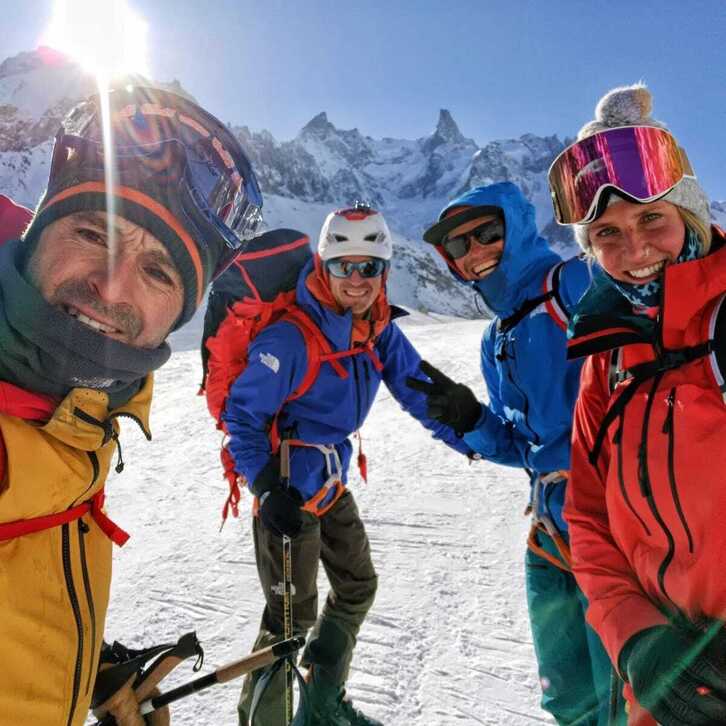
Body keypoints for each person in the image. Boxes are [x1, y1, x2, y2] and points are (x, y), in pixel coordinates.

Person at [0, 82, 263, 726]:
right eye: (93, 231)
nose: (111, 286)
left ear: (180, 312)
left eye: (158, 273)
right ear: (37, 232)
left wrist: (80, 666)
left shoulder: (82, 411)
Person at [222, 204, 474, 726]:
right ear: (323, 264)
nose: (356, 279)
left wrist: (481, 438)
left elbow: (419, 391)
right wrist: (267, 489)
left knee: (357, 585)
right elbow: (242, 415)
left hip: (330, 484)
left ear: (385, 271)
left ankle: (319, 704)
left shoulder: (376, 328)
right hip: (288, 492)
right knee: (288, 624)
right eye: (344, 265)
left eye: (369, 267)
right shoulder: (290, 338)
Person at [552, 83, 726, 726]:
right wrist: (637, 640)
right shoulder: (610, 357)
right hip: (660, 694)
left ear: (689, 210)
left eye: (651, 217)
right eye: (606, 233)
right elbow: (589, 518)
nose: (635, 250)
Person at [409, 181, 614, 724]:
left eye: (488, 234)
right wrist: (473, 422)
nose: (474, 252)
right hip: (548, 535)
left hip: (613, 528)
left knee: (625, 693)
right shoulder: (494, 336)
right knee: (567, 695)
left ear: (517, 229)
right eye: (458, 246)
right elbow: (522, 449)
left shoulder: (576, 283)